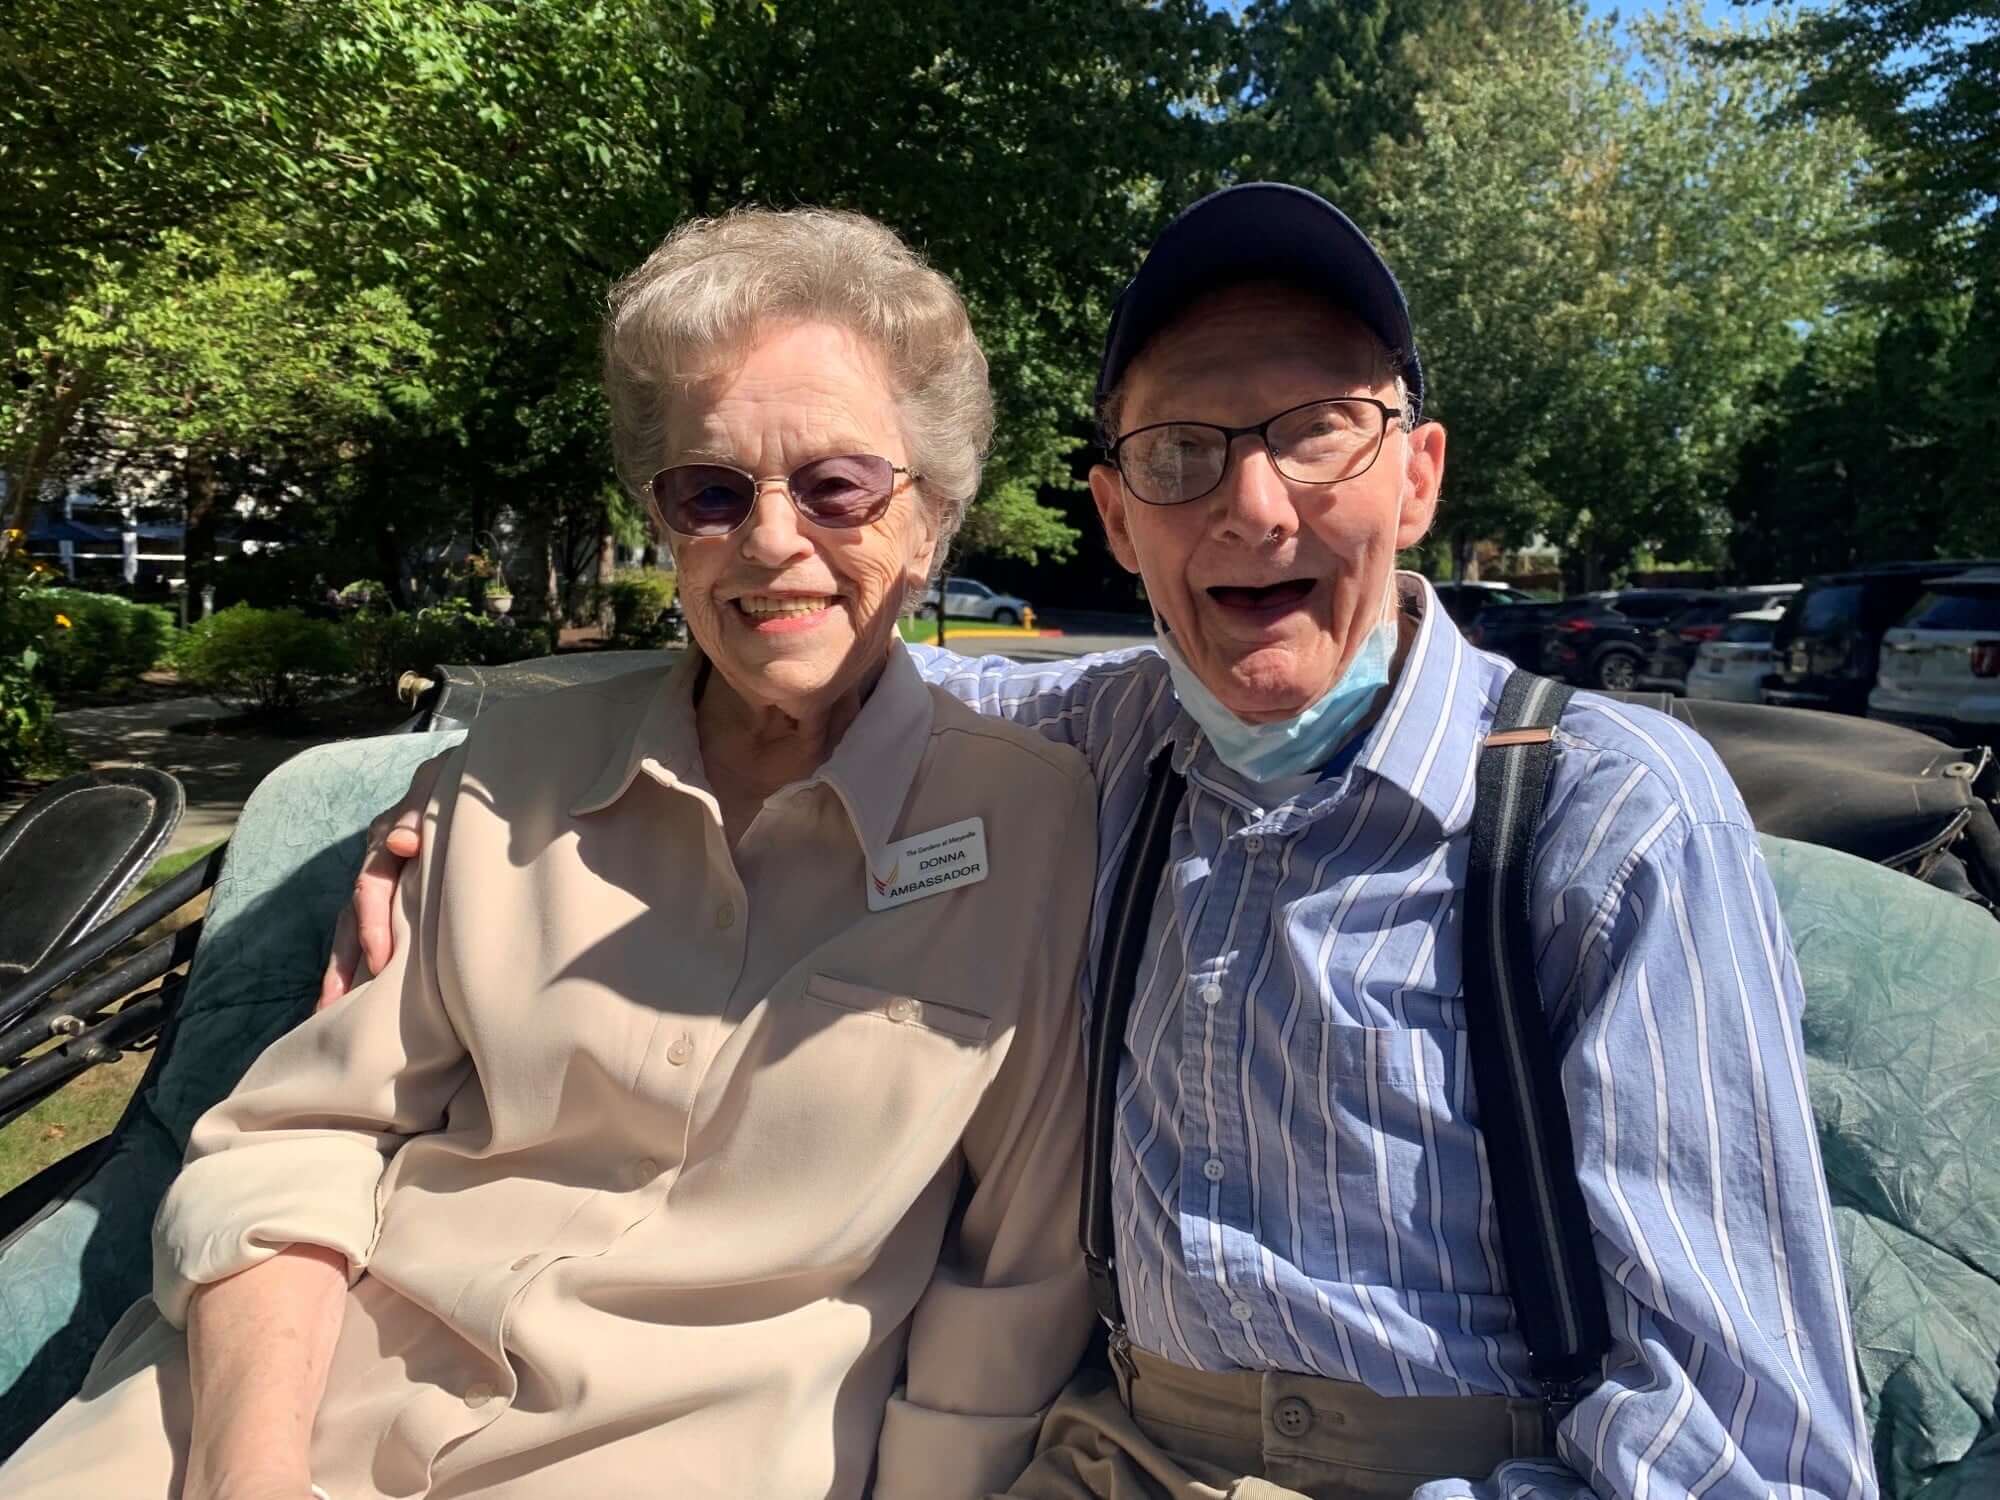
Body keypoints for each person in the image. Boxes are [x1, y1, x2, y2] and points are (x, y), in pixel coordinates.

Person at [325, 184, 1875, 1500]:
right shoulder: (1099, 745)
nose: (1252, 506)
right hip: (1104, 1454)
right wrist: (478, 778)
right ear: (1118, 520)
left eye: (1320, 430)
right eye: (1181, 452)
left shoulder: (1602, 815)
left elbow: (1744, 1441)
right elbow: (813, 654)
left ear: (1419, 473)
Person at [0, 208, 1099, 1500]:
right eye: (712, 491)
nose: (771, 539)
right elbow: (290, 1145)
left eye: (838, 485)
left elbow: (1009, 1287)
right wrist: (247, 1478)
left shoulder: (1035, 830)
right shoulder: (508, 766)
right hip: (270, 1412)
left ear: (932, 520)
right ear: (662, 513)